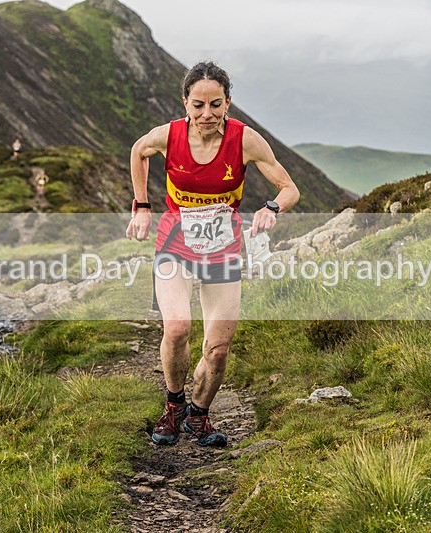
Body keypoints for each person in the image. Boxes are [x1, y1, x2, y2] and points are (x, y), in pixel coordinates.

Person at [126, 61, 300, 447]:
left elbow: (289, 188)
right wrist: (141, 205)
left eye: (216, 105)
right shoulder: (169, 135)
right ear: (185, 102)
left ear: (228, 103)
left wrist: (272, 208)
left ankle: (198, 416)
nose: (207, 114)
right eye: (199, 105)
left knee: (218, 349)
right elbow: (139, 150)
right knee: (177, 329)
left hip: (223, 248)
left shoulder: (246, 140)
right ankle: (174, 406)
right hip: (175, 243)